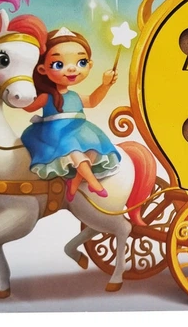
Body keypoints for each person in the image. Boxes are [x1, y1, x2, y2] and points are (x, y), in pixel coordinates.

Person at [22, 27, 120, 200]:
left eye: (81, 62)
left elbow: (92, 101)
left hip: (79, 129)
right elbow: (29, 107)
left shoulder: (74, 96)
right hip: (56, 132)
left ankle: (75, 181)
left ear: (90, 64)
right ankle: (93, 182)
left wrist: (105, 85)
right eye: (58, 65)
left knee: (94, 145)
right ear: (42, 69)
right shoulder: (47, 96)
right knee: (72, 147)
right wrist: (20, 93)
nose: (72, 69)